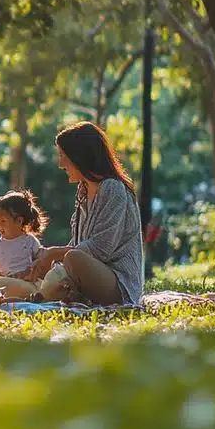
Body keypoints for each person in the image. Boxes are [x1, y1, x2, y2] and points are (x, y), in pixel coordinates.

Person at [31, 121, 143, 306]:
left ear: (79, 156)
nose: (60, 164)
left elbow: (100, 249)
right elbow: (78, 245)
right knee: (55, 269)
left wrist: (56, 254)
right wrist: (47, 259)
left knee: (72, 258)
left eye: (63, 155)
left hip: (120, 285)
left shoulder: (113, 188)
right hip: (90, 275)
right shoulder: (83, 191)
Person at [0, 190, 48, 280]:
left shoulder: (30, 241)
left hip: (26, 284)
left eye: (3, 221)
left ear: (19, 221)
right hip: (4, 283)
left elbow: (41, 262)